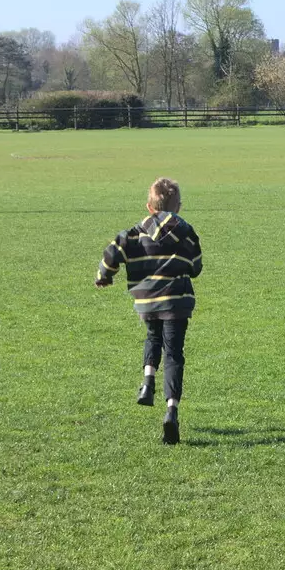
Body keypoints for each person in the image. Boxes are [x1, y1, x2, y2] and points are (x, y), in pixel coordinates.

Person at [96, 177, 203, 444]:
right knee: (174, 354)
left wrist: (105, 276)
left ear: (148, 206)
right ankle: (171, 410)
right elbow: (196, 265)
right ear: (179, 207)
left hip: (147, 301)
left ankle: (147, 381)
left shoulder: (135, 231)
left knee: (153, 337)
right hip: (176, 301)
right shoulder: (186, 230)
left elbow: (114, 250)